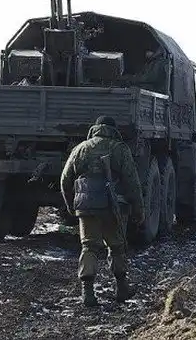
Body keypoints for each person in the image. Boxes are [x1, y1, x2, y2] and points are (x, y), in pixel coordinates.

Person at [59, 115, 145, 307]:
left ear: (95, 128)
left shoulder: (80, 148)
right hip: (113, 207)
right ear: (114, 130)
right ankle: (121, 288)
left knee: (89, 246)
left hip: (87, 206)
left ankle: (88, 292)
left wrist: (70, 205)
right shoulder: (120, 148)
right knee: (117, 246)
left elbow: (65, 180)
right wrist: (139, 210)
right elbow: (132, 182)